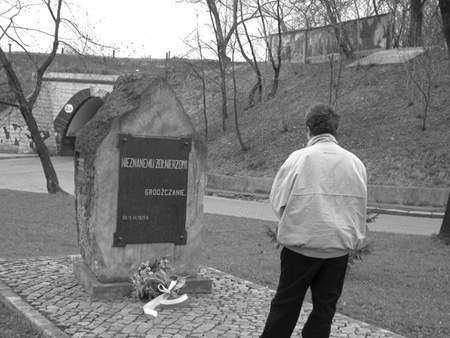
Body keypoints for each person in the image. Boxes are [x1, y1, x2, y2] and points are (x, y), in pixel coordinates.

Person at [261, 103, 367, 338]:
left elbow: (278, 200)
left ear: (308, 129)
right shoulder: (355, 163)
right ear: (335, 130)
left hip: (301, 247)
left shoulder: (299, 158)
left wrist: (297, 221)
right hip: (337, 250)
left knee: (286, 304)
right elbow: (358, 207)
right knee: (325, 309)